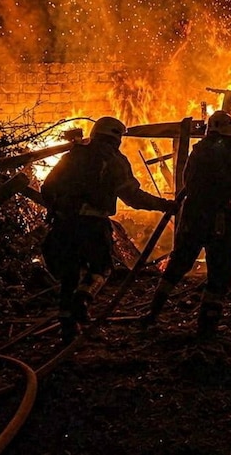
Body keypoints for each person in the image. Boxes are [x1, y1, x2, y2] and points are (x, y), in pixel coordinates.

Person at [41, 116, 177, 343]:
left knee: (69, 274)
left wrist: (56, 209)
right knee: (102, 268)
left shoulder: (72, 156)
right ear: (117, 138)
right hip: (94, 225)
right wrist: (164, 205)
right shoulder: (116, 161)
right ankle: (83, 299)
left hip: (65, 224)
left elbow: (48, 187)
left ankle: (68, 327)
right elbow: (132, 196)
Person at [143, 110, 231, 337]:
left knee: (179, 262)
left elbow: (190, 181)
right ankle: (206, 328)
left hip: (192, 217)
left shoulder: (197, 152)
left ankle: (153, 312)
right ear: (230, 128)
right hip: (219, 220)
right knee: (220, 272)